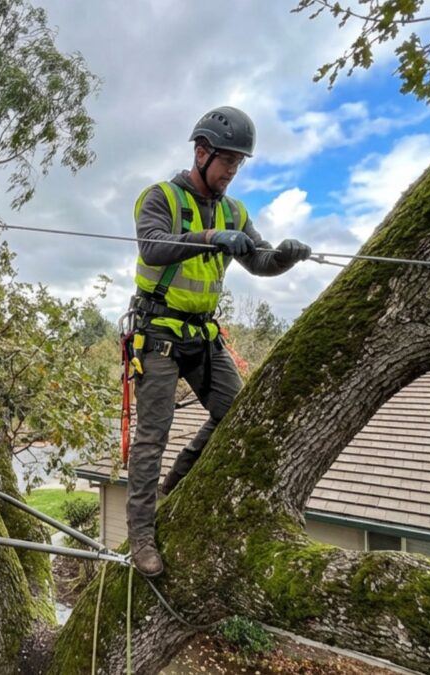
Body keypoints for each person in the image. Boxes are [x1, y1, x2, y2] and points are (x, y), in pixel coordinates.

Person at [125, 106, 312, 577]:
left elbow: (259, 260)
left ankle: (180, 480)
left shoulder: (235, 210)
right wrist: (210, 236)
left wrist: (284, 258)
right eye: (227, 160)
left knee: (239, 412)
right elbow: (153, 245)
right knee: (153, 435)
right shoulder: (160, 197)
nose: (231, 171)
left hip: (202, 334)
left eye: (238, 163)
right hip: (159, 332)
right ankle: (141, 538)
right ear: (201, 151)